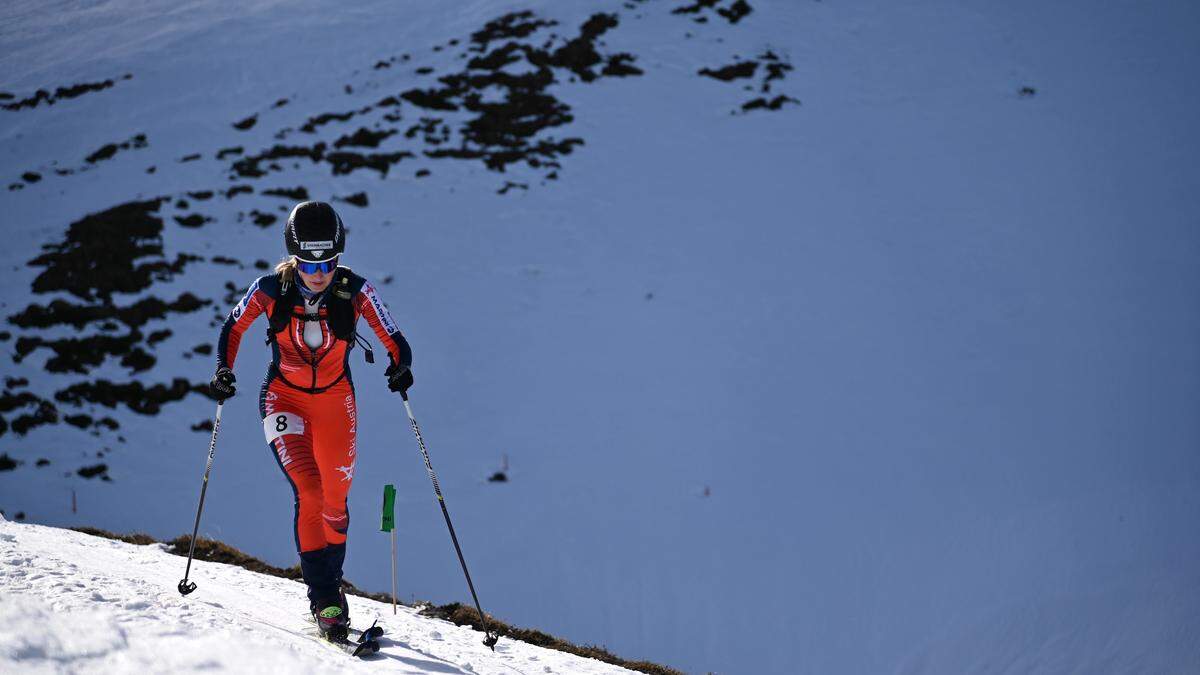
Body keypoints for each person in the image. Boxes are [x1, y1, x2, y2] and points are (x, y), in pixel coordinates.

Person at [210, 200, 413, 641]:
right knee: (310, 488)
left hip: (336, 403)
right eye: (307, 263)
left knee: (336, 502)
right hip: (283, 398)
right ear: (294, 257)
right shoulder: (269, 289)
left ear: (338, 257)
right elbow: (233, 327)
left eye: (327, 262)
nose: (318, 272)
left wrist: (400, 365)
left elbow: (392, 335)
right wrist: (225, 370)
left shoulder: (355, 290)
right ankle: (323, 599)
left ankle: (331, 589)